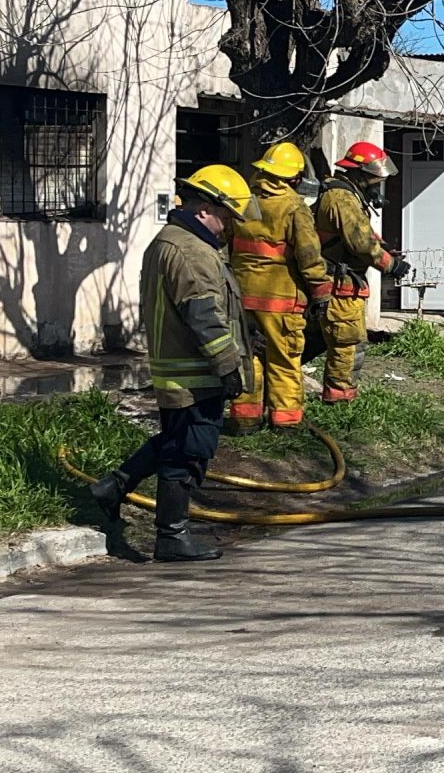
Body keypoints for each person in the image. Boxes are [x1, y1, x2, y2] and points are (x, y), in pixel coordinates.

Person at [89, 164, 253, 563]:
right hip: (195, 375)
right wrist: (228, 365)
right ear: (203, 209)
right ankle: (172, 536)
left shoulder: (173, 241)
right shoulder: (192, 251)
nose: (228, 227)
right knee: (189, 453)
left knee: (177, 441)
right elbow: (204, 317)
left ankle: (115, 486)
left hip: (181, 370)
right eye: (226, 216)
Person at [226, 142, 332, 432]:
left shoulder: (243, 200)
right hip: (280, 300)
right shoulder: (293, 207)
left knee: (248, 357)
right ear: (294, 178)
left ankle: (245, 418)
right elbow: (309, 255)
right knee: (284, 359)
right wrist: (321, 292)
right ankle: (285, 422)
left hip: (242, 298)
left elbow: (226, 242)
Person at [314, 142, 409, 404]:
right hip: (339, 283)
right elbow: (360, 243)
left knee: (326, 342)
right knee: (348, 344)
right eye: (373, 179)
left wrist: (383, 247)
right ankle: (339, 401)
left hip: (341, 281)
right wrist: (391, 265)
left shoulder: (348, 195)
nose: (376, 185)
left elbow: (362, 235)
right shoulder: (342, 198)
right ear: (358, 173)